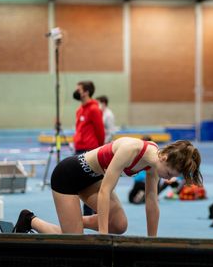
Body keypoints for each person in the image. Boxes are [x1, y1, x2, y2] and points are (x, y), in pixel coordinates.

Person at [12, 138, 202, 236]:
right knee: (75, 241)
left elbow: (151, 200)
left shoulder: (154, 164)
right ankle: (29, 219)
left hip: (92, 180)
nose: (168, 179)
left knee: (120, 225)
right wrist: (102, 235)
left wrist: (152, 241)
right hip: (67, 176)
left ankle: (74, 222)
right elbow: (105, 191)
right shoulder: (132, 149)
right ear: (164, 157)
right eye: (169, 174)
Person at [73, 81, 105, 216]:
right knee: (80, 185)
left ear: (86, 92)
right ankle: (87, 215)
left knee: (91, 186)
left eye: (78, 89)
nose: (76, 91)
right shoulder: (79, 110)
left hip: (90, 150)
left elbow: (100, 131)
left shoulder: (94, 109)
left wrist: (99, 151)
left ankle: (94, 215)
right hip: (79, 150)